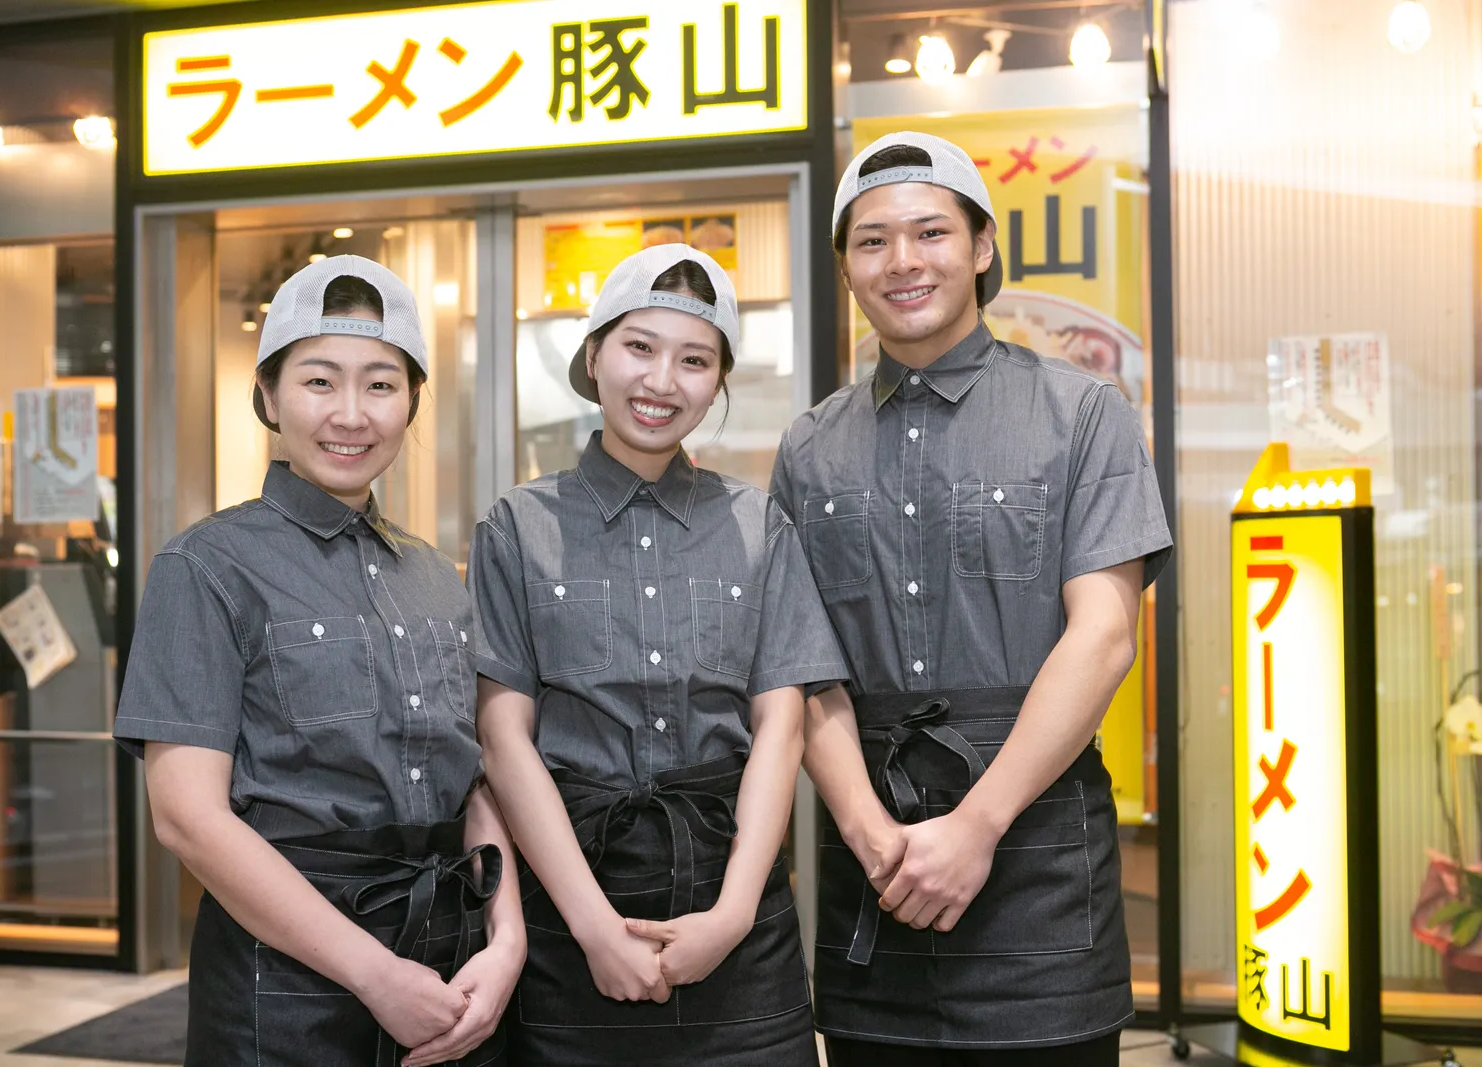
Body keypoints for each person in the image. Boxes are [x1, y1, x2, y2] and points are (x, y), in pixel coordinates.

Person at [770, 132, 1174, 1064]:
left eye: (929, 233)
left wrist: (978, 824)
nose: (902, 262)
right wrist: (873, 834)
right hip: (876, 866)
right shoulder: (809, 448)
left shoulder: (1082, 413)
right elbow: (801, 666)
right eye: (871, 241)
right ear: (846, 267)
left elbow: (1105, 635)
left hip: (1034, 853)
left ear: (982, 247)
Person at [112, 255, 522, 1067]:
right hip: (286, 988)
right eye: (318, 381)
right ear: (268, 396)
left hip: (450, 966)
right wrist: (374, 975)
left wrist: (506, 941)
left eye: (380, 384)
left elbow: (471, 780)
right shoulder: (205, 566)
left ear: (411, 403)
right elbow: (187, 817)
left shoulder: (437, 576)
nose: (351, 413)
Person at [466, 244, 846, 1066]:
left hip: (736, 903)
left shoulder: (757, 525)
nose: (662, 381)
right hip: (572, 902)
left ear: (718, 382)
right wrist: (595, 928)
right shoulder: (516, 526)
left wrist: (734, 914)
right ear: (595, 354)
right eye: (640, 347)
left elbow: (781, 727)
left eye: (695, 359)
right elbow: (503, 740)